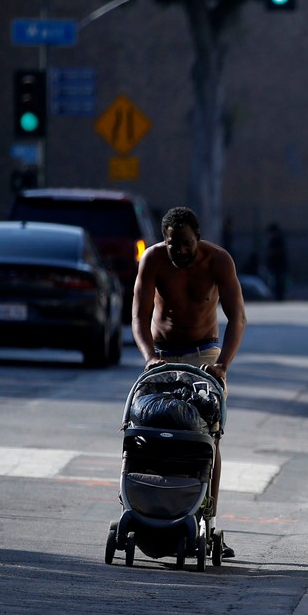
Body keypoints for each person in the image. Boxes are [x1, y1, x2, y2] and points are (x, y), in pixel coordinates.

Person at [133, 206, 247, 556]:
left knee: (207, 437)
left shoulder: (218, 261)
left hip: (204, 354)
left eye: (185, 243)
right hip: (162, 355)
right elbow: (138, 316)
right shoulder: (152, 260)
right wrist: (150, 357)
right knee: (149, 429)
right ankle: (148, 505)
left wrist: (223, 365)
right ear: (163, 241)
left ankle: (206, 514)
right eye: (172, 244)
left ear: (197, 238)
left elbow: (237, 318)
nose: (179, 250)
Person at [265, 223, 288, 302]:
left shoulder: (278, 240)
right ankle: (278, 296)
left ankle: (279, 296)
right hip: (276, 265)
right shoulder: (275, 240)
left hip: (279, 264)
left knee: (279, 281)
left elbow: (278, 251)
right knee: (277, 281)